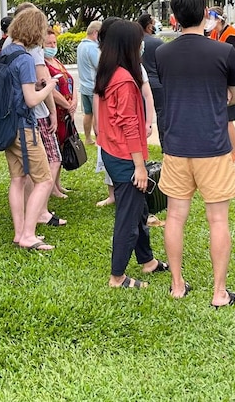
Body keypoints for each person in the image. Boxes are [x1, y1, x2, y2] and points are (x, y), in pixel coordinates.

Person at [156, 0, 235, 302]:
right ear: (207, 13)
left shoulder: (162, 53)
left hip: (177, 145)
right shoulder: (223, 52)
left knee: (175, 217)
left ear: (174, 17)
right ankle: (219, 292)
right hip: (214, 146)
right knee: (218, 219)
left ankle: (177, 285)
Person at [94, 19, 169, 289]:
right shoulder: (124, 80)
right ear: (127, 45)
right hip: (125, 157)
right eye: (138, 41)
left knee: (139, 211)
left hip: (113, 152)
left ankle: (147, 261)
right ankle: (117, 277)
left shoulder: (109, 72)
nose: (141, 46)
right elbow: (129, 125)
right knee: (128, 218)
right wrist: (139, 166)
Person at [0, 7, 59, 250]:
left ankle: (19, 232)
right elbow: (31, 99)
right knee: (44, 180)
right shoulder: (24, 58)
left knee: (17, 179)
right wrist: (49, 85)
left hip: (7, 126)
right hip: (25, 127)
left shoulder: (6, 52)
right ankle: (28, 234)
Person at [209, 6, 235, 164]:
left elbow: (228, 62)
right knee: (221, 119)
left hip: (233, 82)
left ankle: (234, 154)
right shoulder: (215, 33)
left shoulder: (230, 34)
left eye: (210, 18)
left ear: (218, 19)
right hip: (220, 82)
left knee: (228, 120)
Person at [44, 29, 76, 197]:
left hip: (66, 112)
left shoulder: (56, 61)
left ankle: (58, 183)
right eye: (49, 43)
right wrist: (67, 104)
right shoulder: (44, 65)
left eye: (54, 43)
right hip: (56, 111)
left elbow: (70, 81)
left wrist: (73, 102)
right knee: (54, 149)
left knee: (62, 147)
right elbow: (51, 91)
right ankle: (53, 188)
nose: (52, 46)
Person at [138, 13, 166, 145]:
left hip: (141, 82)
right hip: (157, 82)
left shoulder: (135, 42)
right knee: (162, 113)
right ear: (149, 26)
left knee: (141, 114)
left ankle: (141, 142)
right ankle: (164, 142)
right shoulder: (157, 43)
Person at [76, 21, 101, 145]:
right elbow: (99, 66)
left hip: (84, 86)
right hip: (93, 86)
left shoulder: (81, 45)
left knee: (88, 113)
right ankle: (98, 140)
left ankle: (87, 138)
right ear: (95, 33)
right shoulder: (92, 47)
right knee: (97, 115)